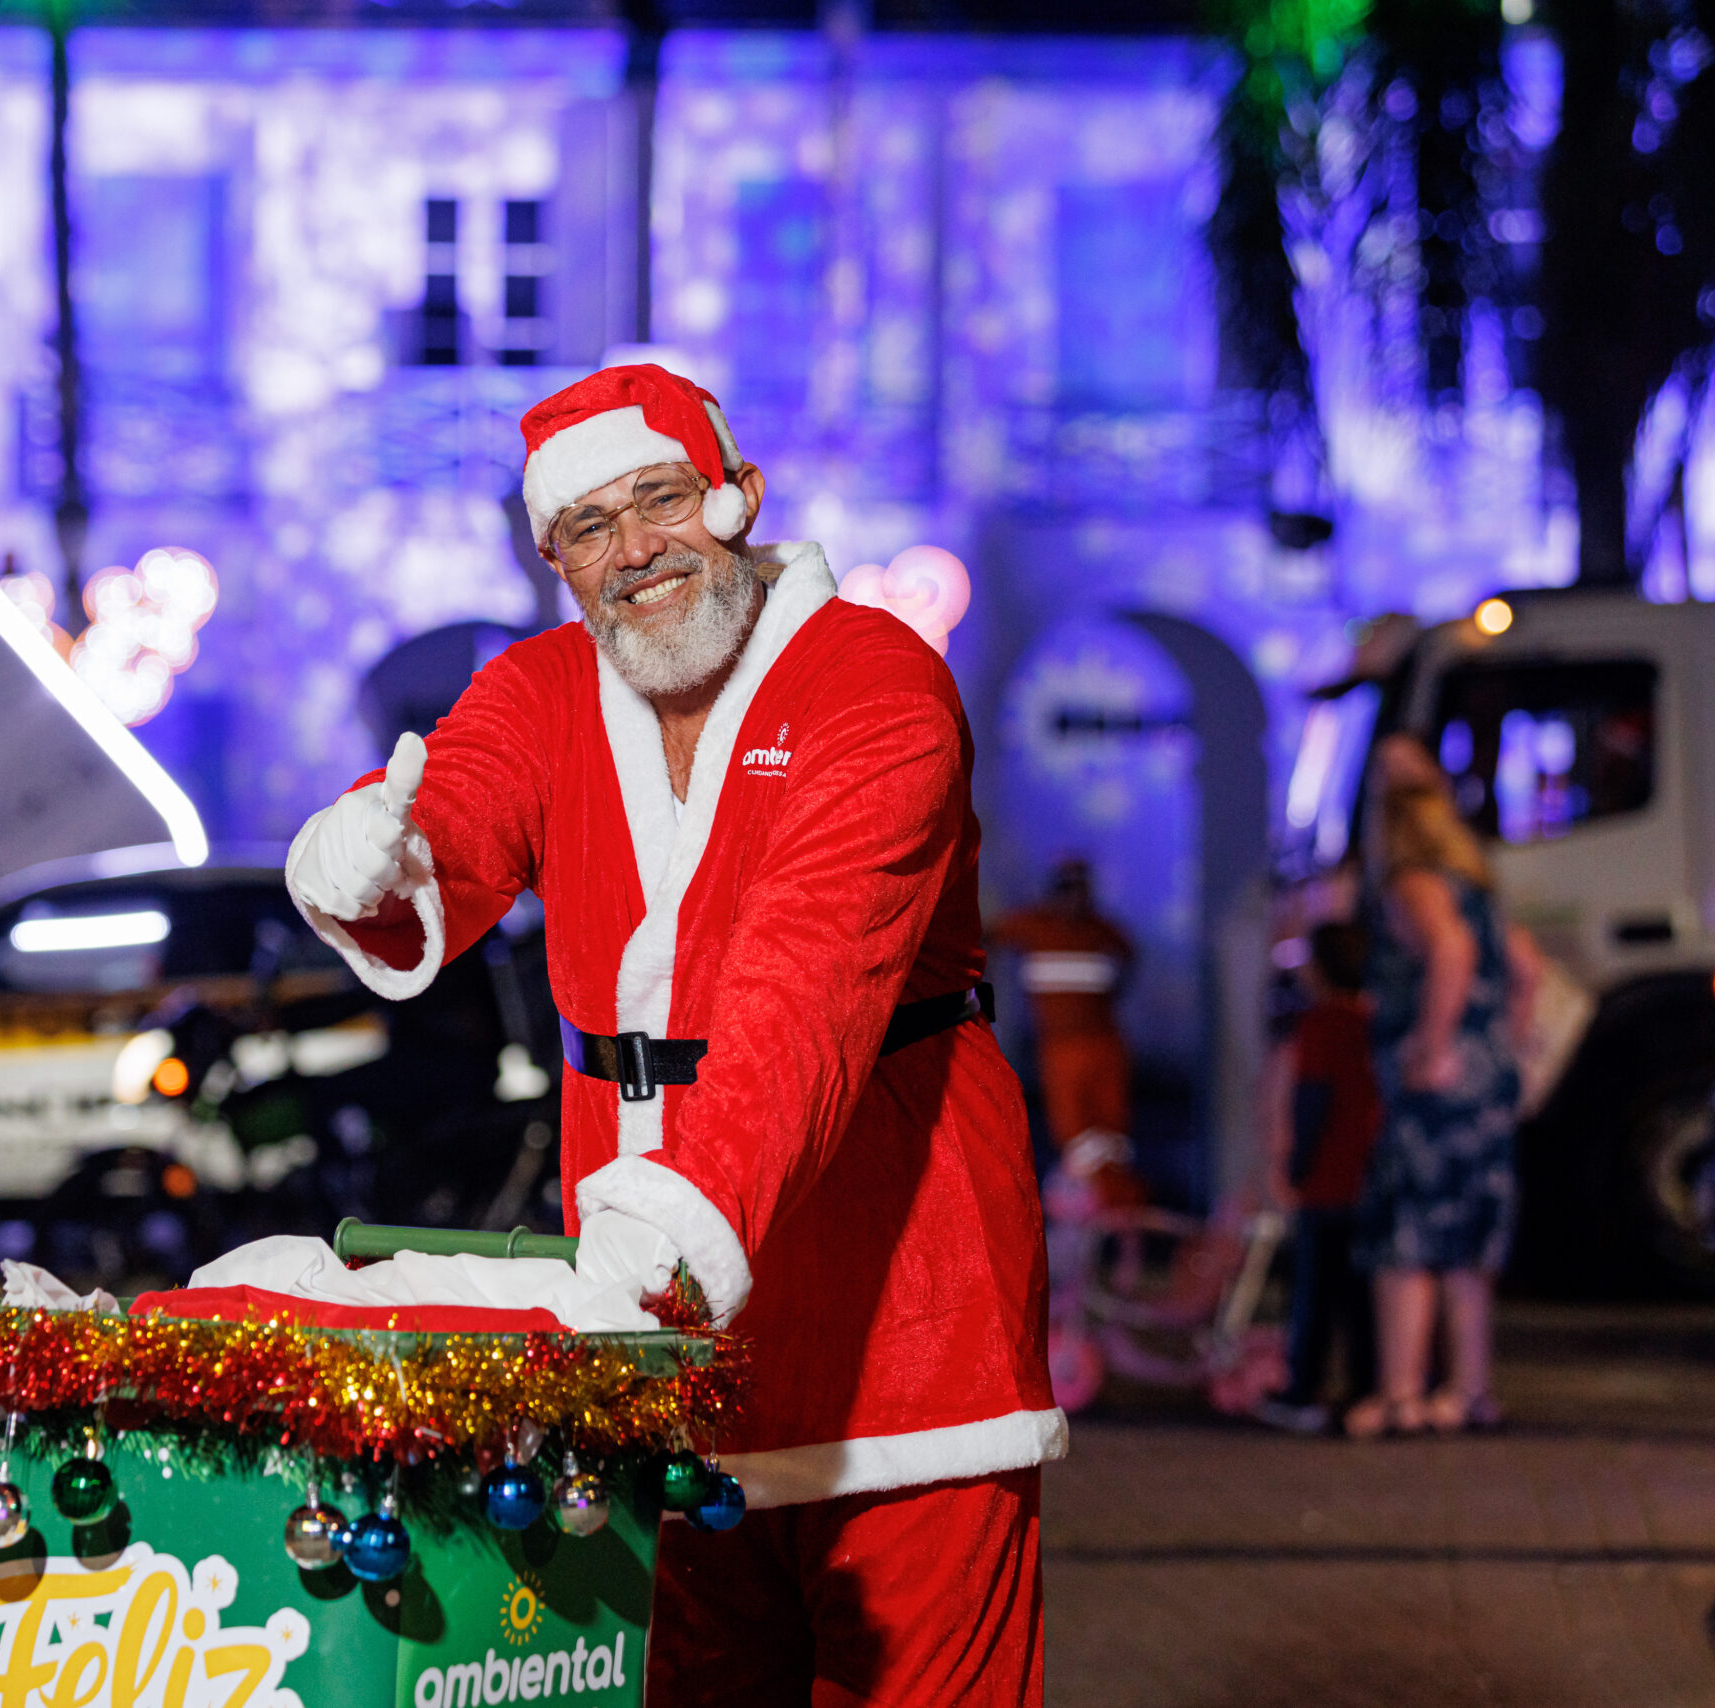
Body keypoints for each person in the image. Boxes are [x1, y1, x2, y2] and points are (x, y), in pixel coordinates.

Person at [284, 363, 1059, 1704]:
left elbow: (810, 974)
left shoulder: (878, 683)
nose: (634, 547)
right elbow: (455, 809)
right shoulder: (537, 692)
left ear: (738, 497)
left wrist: (662, 1240)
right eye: (588, 525)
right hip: (648, 1340)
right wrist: (380, 850)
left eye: (660, 499)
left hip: (898, 1304)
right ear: (552, 560)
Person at [1344, 743, 1527, 1438]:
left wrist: (1430, 1042)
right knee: (1468, 1243)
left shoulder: (1414, 883)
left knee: (1406, 1235)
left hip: (1436, 1088)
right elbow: (1527, 971)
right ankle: (1470, 1389)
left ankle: (1400, 1393)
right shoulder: (1474, 884)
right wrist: (1496, 1040)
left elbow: (1451, 953)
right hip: (1486, 1083)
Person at [1252, 920, 1381, 1435]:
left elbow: (1312, 1097)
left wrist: (1297, 1162)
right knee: (1361, 1299)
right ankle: (1361, 1391)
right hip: (1367, 1180)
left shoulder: (1321, 1023)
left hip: (1327, 1182)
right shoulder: (1373, 1020)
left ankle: (1301, 1390)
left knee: (1311, 1296)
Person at [989, 857, 1145, 1207]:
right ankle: (1091, 1212)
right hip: (1059, 1050)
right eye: (1067, 889)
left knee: (1112, 1137)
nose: (1075, 899)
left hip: (1104, 1046)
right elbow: (987, 937)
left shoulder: (1105, 933)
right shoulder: (1032, 926)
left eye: (1082, 890)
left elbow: (1128, 962)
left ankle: (1117, 1210)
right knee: (1075, 1138)